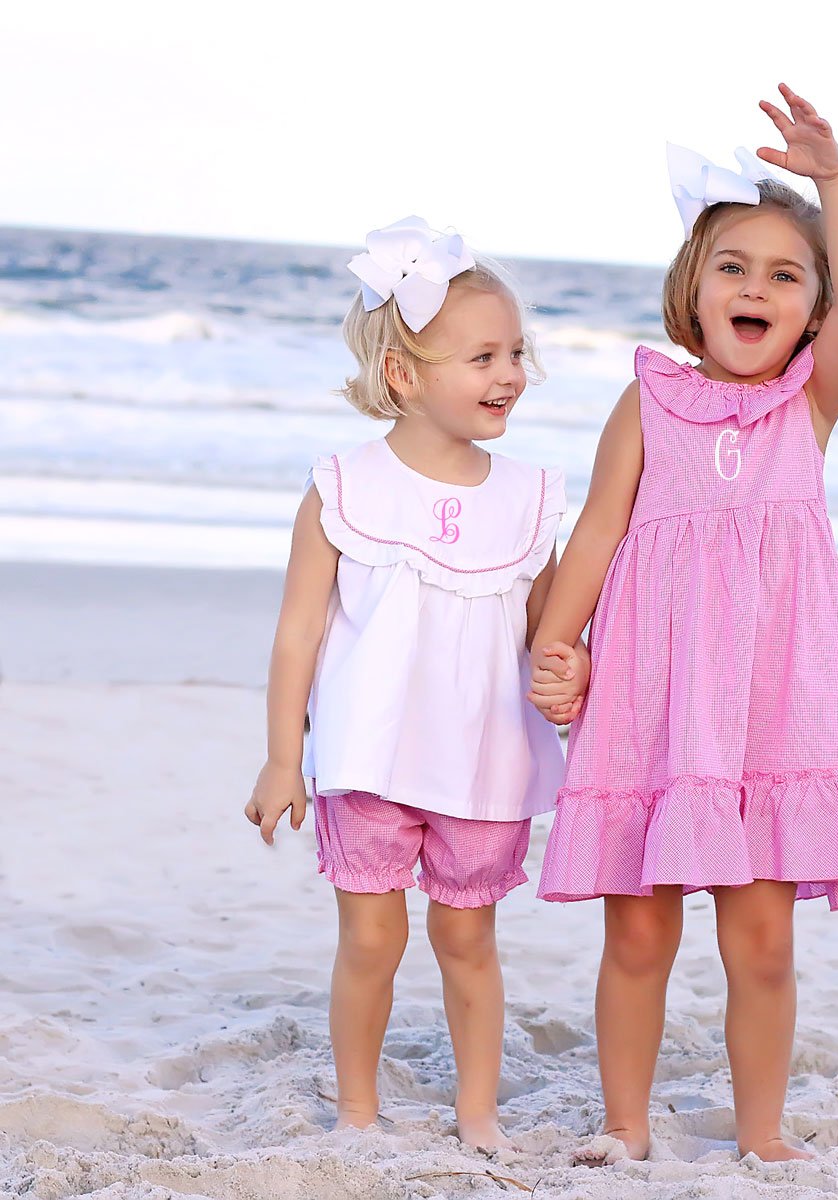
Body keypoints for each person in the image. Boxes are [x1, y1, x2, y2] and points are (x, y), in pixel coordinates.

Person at [527, 87, 838, 1164]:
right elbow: (597, 531)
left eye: (787, 275)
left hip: (773, 702)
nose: (757, 287)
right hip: (655, 694)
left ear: (813, 312)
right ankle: (626, 1127)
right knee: (638, 929)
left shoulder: (808, 404)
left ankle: (762, 1133)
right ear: (691, 290)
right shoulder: (647, 401)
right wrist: (559, 649)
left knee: (764, 937)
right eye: (734, 267)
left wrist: (834, 178)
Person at [245, 217, 578, 1147]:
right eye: (481, 356)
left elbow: (546, 629)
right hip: (369, 756)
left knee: (468, 941)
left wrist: (570, 672)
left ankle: (477, 1111)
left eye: (516, 352)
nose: (509, 373)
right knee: (372, 939)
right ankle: (358, 1107)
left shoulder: (526, 498)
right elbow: (298, 634)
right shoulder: (344, 489)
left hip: (480, 764)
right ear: (402, 374)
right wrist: (283, 760)